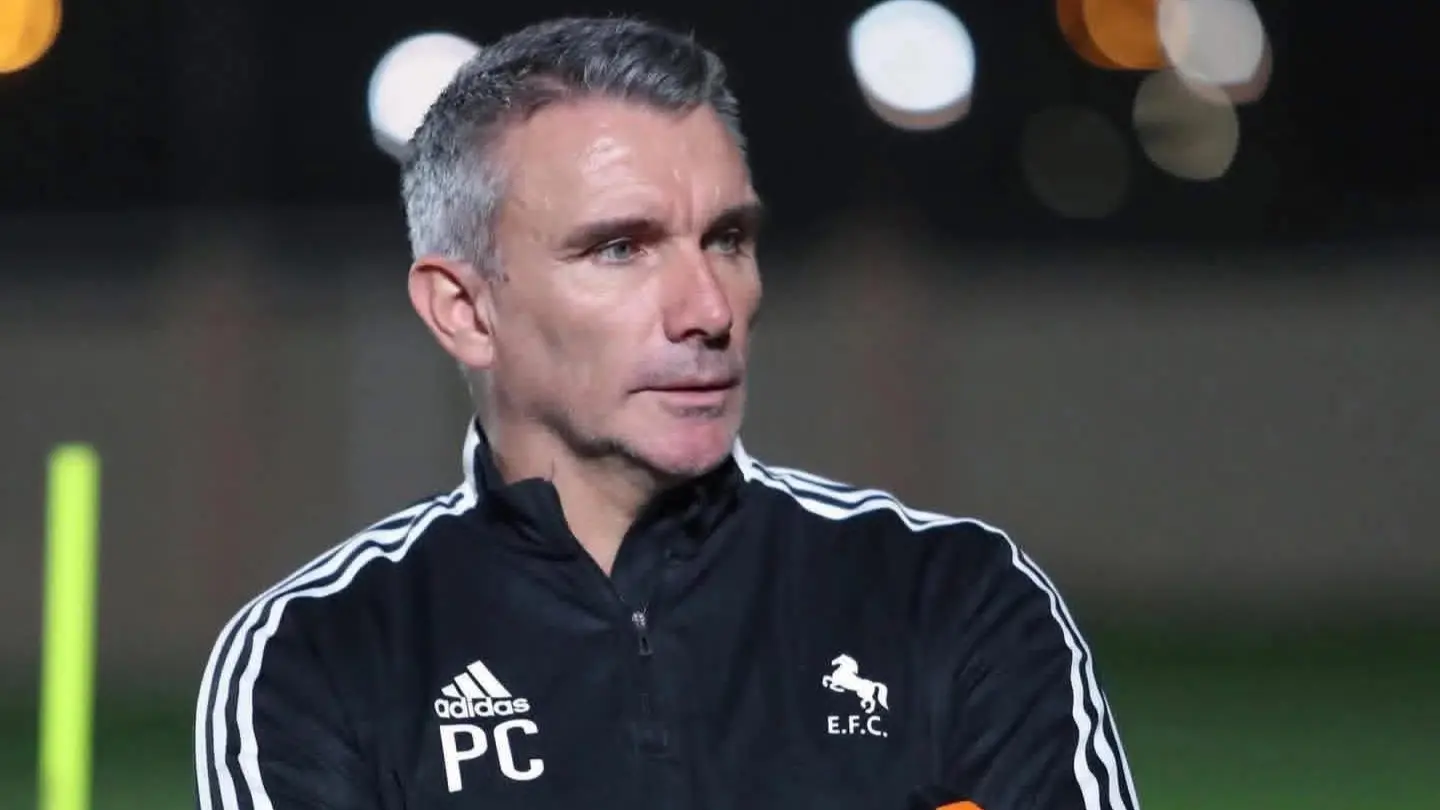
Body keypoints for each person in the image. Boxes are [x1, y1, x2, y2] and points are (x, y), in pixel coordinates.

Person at [194, 16, 1140, 810]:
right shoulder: (318, 657)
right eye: (621, 248)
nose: (709, 309)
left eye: (727, 238)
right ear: (465, 311)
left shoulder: (954, 601)